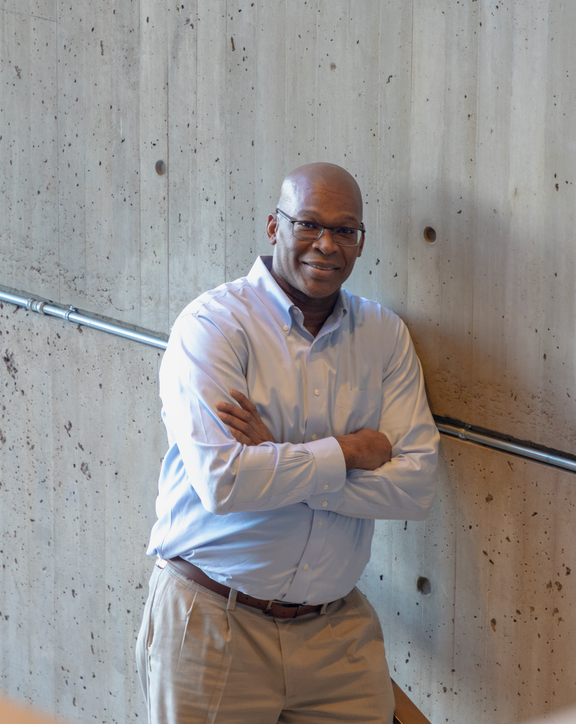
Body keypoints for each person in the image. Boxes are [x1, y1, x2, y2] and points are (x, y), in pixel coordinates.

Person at [135, 162, 440, 723]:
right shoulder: (214, 326)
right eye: (308, 224)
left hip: (335, 635)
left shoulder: (384, 336)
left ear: (360, 241)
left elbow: (416, 487)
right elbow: (224, 482)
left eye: (345, 230)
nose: (326, 244)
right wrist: (346, 453)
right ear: (274, 227)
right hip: (214, 624)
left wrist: (278, 455)